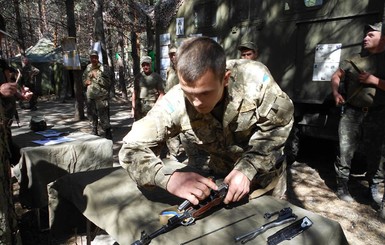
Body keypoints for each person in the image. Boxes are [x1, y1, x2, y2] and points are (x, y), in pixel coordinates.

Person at [119, 37, 294, 206]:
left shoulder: (254, 80)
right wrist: (167, 178)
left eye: (205, 93)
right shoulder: (176, 101)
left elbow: (279, 123)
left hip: (265, 182)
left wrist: (248, 167)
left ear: (225, 79)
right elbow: (130, 148)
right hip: (221, 182)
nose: (196, 102)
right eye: (188, 92)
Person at [331, 22, 385, 203]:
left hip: (377, 114)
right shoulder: (353, 58)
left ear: (383, 38)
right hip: (352, 114)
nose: (365, 38)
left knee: (376, 152)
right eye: (365, 35)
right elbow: (336, 76)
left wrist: (374, 80)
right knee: (345, 150)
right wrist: (336, 92)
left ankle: (374, 187)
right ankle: (342, 185)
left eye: (371, 35)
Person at [83, 50, 112, 139]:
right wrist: (85, 82)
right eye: (92, 57)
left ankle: (107, 132)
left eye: (95, 57)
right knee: (92, 114)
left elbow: (108, 82)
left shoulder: (103, 68)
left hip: (101, 96)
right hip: (90, 95)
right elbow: (83, 79)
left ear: (98, 58)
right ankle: (94, 130)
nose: (93, 59)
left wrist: (97, 77)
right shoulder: (88, 68)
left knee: (103, 115)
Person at [131, 55, 165, 120]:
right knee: (139, 127)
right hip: (139, 107)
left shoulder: (156, 77)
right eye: (143, 65)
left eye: (147, 64)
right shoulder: (138, 77)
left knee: (151, 128)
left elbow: (162, 94)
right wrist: (133, 108)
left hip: (152, 107)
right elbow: (134, 93)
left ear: (150, 64)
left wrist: (156, 107)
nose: (145, 67)